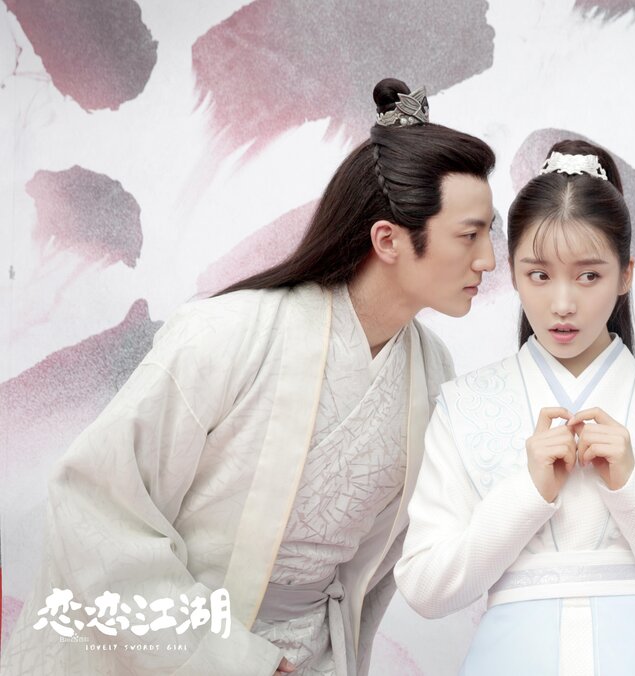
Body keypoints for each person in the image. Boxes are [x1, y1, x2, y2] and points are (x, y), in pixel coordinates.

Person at [0, 78, 496, 675]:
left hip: (317, 654)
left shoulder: (432, 370)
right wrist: (235, 658)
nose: (488, 259)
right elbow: (95, 505)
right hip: (189, 649)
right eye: (470, 235)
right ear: (387, 239)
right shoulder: (228, 334)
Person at [396, 140, 635, 675]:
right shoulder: (466, 407)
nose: (562, 304)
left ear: (626, 274)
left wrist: (633, 486)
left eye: (588, 275)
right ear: (513, 273)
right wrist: (527, 493)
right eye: (539, 275)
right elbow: (424, 587)